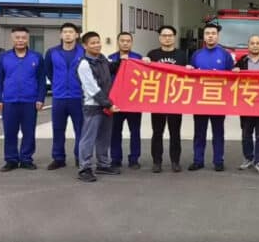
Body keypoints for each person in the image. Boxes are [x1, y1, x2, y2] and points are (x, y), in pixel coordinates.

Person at [0, 27, 46, 172]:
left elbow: (41, 79)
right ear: (12, 38)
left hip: (30, 101)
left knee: (29, 131)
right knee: (10, 131)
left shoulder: (37, 57)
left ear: (28, 38)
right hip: (9, 101)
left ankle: (26, 159)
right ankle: (11, 159)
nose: (20, 40)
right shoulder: (3, 57)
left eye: (23, 37)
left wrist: (40, 98)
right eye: (17, 37)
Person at [188, 23, 234, 172]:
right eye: (207, 33)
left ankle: (218, 161)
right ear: (204, 36)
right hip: (200, 100)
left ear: (218, 36)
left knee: (218, 132)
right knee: (199, 132)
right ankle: (198, 160)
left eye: (213, 33)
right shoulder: (196, 55)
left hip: (218, 100)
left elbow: (232, 77)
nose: (210, 36)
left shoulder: (225, 55)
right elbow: (189, 77)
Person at [76, 32, 121, 182]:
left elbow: (113, 67)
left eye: (98, 42)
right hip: (93, 105)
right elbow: (92, 89)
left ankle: (103, 164)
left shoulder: (103, 58)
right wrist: (109, 104)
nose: (96, 45)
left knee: (104, 136)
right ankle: (85, 168)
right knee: (88, 138)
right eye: (92, 43)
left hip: (107, 105)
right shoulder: (84, 64)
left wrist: (125, 61)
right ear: (85, 46)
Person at [146, 25, 189, 173]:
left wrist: (189, 69)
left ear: (174, 37)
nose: (167, 38)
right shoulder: (152, 54)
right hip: (157, 99)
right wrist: (144, 62)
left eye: (170, 35)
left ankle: (175, 162)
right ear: (159, 37)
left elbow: (188, 75)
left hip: (175, 99)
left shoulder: (182, 55)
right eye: (164, 35)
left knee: (175, 132)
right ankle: (157, 162)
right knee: (157, 132)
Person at [44, 22, 85, 170]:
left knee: (80, 129)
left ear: (77, 35)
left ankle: (80, 157)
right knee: (58, 129)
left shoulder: (83, 52)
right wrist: (57, 83)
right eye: (65, 32)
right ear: (61, 35)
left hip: (78, 97)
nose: (68, 34)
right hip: (59, 97)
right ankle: (58, 158)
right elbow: (48, 70)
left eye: (71, 32)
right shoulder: (52, 52)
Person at [233, 34, 259, 175]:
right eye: (252, 43)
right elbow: (232, 80)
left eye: (258, 43)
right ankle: (248, 158)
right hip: (246, 104)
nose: (255, 45)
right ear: (248, 45)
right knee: (246, 134)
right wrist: (235, 72)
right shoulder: (241, 61)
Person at [108, 32, 143, 169]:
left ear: (131, 43)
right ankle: (116, 159)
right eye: (122, 40)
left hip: (133, 101)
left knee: (135, 131)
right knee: (115, 131)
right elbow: (108, 74)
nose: (125, 43)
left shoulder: (138, 58)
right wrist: (121, 61)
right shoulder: (111, 58)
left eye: (128, 41)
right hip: (116, 102)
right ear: (118, 42)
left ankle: (134, 159)